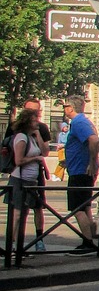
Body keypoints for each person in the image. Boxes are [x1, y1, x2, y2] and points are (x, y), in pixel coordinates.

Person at [5, 106, 49, 253]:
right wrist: (36, 158)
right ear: (27, 121)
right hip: (20, 180)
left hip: (31, 181)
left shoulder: (32, 137)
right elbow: (18, 160)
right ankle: (11, 246)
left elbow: (45, 152)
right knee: (17, 214)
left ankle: (18, 248)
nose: (38, 121)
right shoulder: (22, 138)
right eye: (34, 119)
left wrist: (38, 135)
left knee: (24, 214)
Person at [61, 97, 99, 252]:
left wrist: (91, 161)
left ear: (71, 108)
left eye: (65, 106)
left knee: (78, 209)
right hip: (81, 169)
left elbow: (94, 140)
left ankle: (88, 242)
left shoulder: (78, 122)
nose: (64, 109)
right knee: (85, 207)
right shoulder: (84, 121)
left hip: (80, 171)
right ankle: (90, 240)